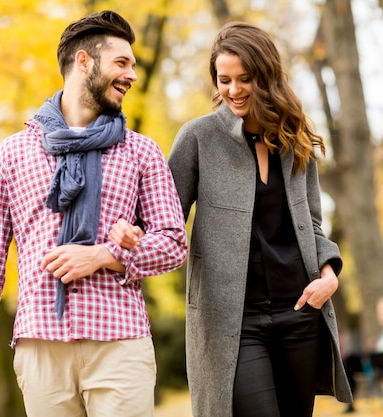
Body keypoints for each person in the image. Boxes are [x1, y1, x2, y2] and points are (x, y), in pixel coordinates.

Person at [109, 21, 352, 417]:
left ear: (267, 76)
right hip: (232, 324)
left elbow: (313, 225)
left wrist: (329, 275)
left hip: (299, 312)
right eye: (224, 80)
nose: (234, 90)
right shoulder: (198, 138)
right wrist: (129, 230)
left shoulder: (295, 139)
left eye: (246, 79)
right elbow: (158, 214)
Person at [0, 10, 188, 417]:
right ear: (84, 62)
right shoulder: (12, 154)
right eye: (122, 62)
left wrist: (107, 255)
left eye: (133, 65)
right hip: (40, 344)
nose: (132, 74)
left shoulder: (142, 152)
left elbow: (173, 243)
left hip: (120, 341)